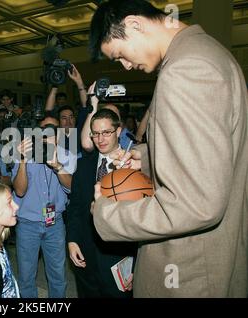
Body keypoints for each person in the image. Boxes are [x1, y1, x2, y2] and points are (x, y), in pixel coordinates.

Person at [89, 0, 248, 297]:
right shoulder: (208, 52)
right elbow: (216, 152)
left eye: (120, 55)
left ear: (135, 25)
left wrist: (107, 215)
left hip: (189, 273)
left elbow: (198, 205)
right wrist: (148, 157)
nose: (124, 65)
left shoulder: (185, 70)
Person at [67, 108, 136, 298]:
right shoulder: (83, 166)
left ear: (119, 131)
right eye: (96, 134)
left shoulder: (133, 166)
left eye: (106, 132)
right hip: (85, 255)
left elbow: (142, 220)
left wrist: (137, 265)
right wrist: (72, 240)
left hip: (119, 258)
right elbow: (74, 208)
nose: (101, 139)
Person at [12, 116, 76, 298]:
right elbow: (20, 190)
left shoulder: (67, 156)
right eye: (42, 133)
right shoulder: (25, 154)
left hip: (55, 223)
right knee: (26, 275)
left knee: (57, 274)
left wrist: (57, 165)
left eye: (50, 134)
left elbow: (72, 188)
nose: (45, 139)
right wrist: (23, 161)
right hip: (27, 224)